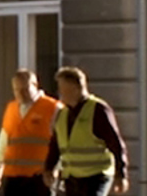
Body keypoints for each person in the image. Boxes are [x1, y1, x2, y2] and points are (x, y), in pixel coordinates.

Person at [42, 66, 130, 196]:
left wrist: (121, 174)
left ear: (75, 87)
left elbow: (115, 143)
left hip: (96, 175)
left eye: (62, 87)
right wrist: (49, 168)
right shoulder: (62, 114)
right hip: (72, 177)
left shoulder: (98, 110)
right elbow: (56, 144)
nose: (59, 92)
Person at [0, 69, 60, 196]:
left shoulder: (53, 108)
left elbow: (62, 144)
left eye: (24, 89)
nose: (20, 94)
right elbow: (3, 143)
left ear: (35, 85)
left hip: (39, 177)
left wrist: (56, 170)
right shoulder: (11, 108)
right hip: (12, 177)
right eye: (16, 90)